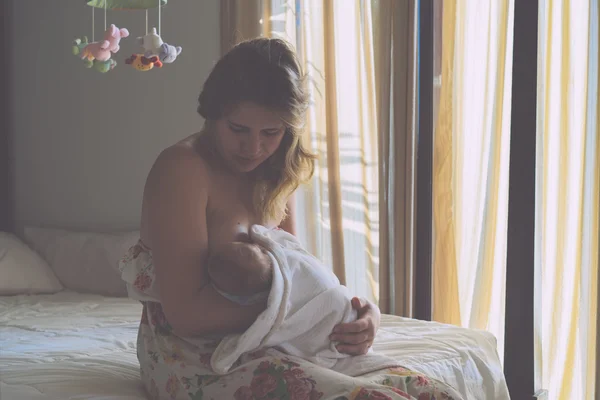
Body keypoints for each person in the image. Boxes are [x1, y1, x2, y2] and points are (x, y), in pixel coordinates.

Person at [119, 37, 389, 399]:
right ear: (214, 115)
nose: (253, 148)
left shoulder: (272, 172)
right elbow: (187, 315)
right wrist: (312, 312)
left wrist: (361, 314)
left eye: (271, 133)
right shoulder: (183, 169)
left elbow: (296, 271)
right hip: (190, 355)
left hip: (271, 338)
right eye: (238, 129)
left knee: (423, 390)